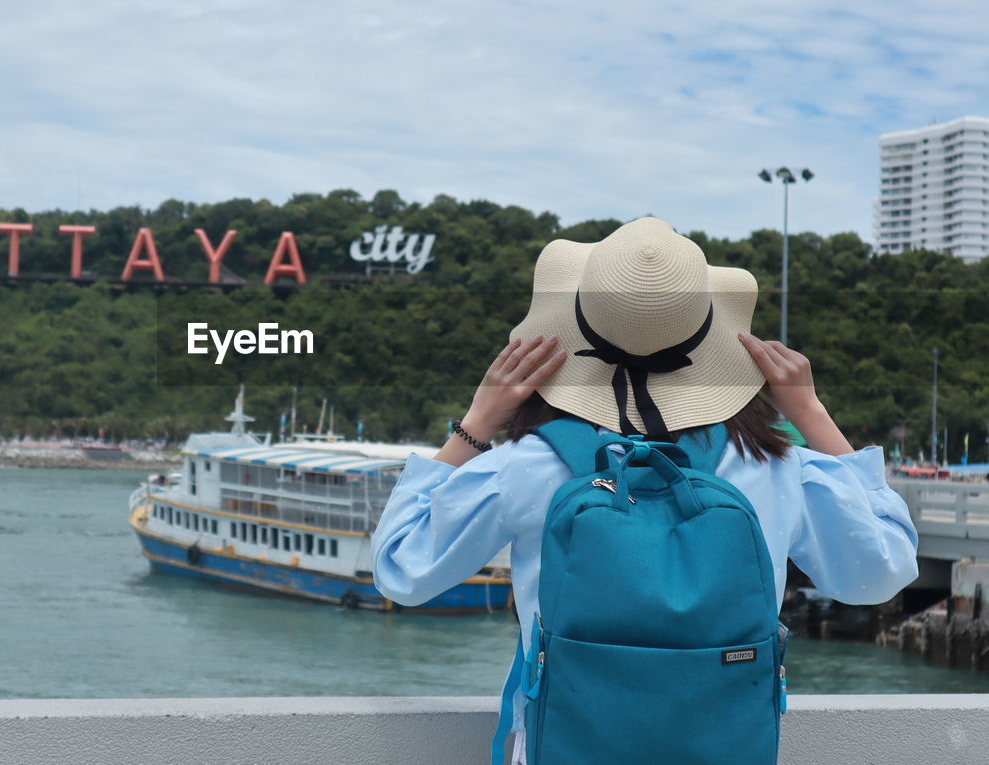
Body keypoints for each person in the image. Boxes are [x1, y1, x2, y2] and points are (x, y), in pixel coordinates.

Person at [371, 217, 919, 765]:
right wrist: (812, 413)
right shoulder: (776, 468)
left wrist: (477, 422)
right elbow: (881, 573)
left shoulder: (528, 466)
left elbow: (403, 571)